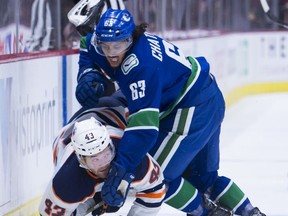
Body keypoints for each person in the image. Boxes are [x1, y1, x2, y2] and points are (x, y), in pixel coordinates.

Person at [74, 8, 266, 216]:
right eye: (106, 46)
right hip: (205, 98)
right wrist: (88, 73)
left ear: (131, 38)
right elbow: (87, 45)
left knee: (156, 177)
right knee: (203, 178)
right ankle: (252, 213)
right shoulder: (105, 42)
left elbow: (144, 128)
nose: (111, 53)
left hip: (192, 108)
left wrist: (121, 169)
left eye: (118, 45)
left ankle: (209, 213)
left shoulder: (140, 67)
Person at [38, 101, 166, 216]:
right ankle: (94, 198)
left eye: (106, 154)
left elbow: (155, 190)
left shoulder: (127, 152)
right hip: (63, 140)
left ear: (111, 146)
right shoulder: (67, 179)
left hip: (111, 109)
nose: (104, 163)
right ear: (82, 161)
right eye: (95, 159)